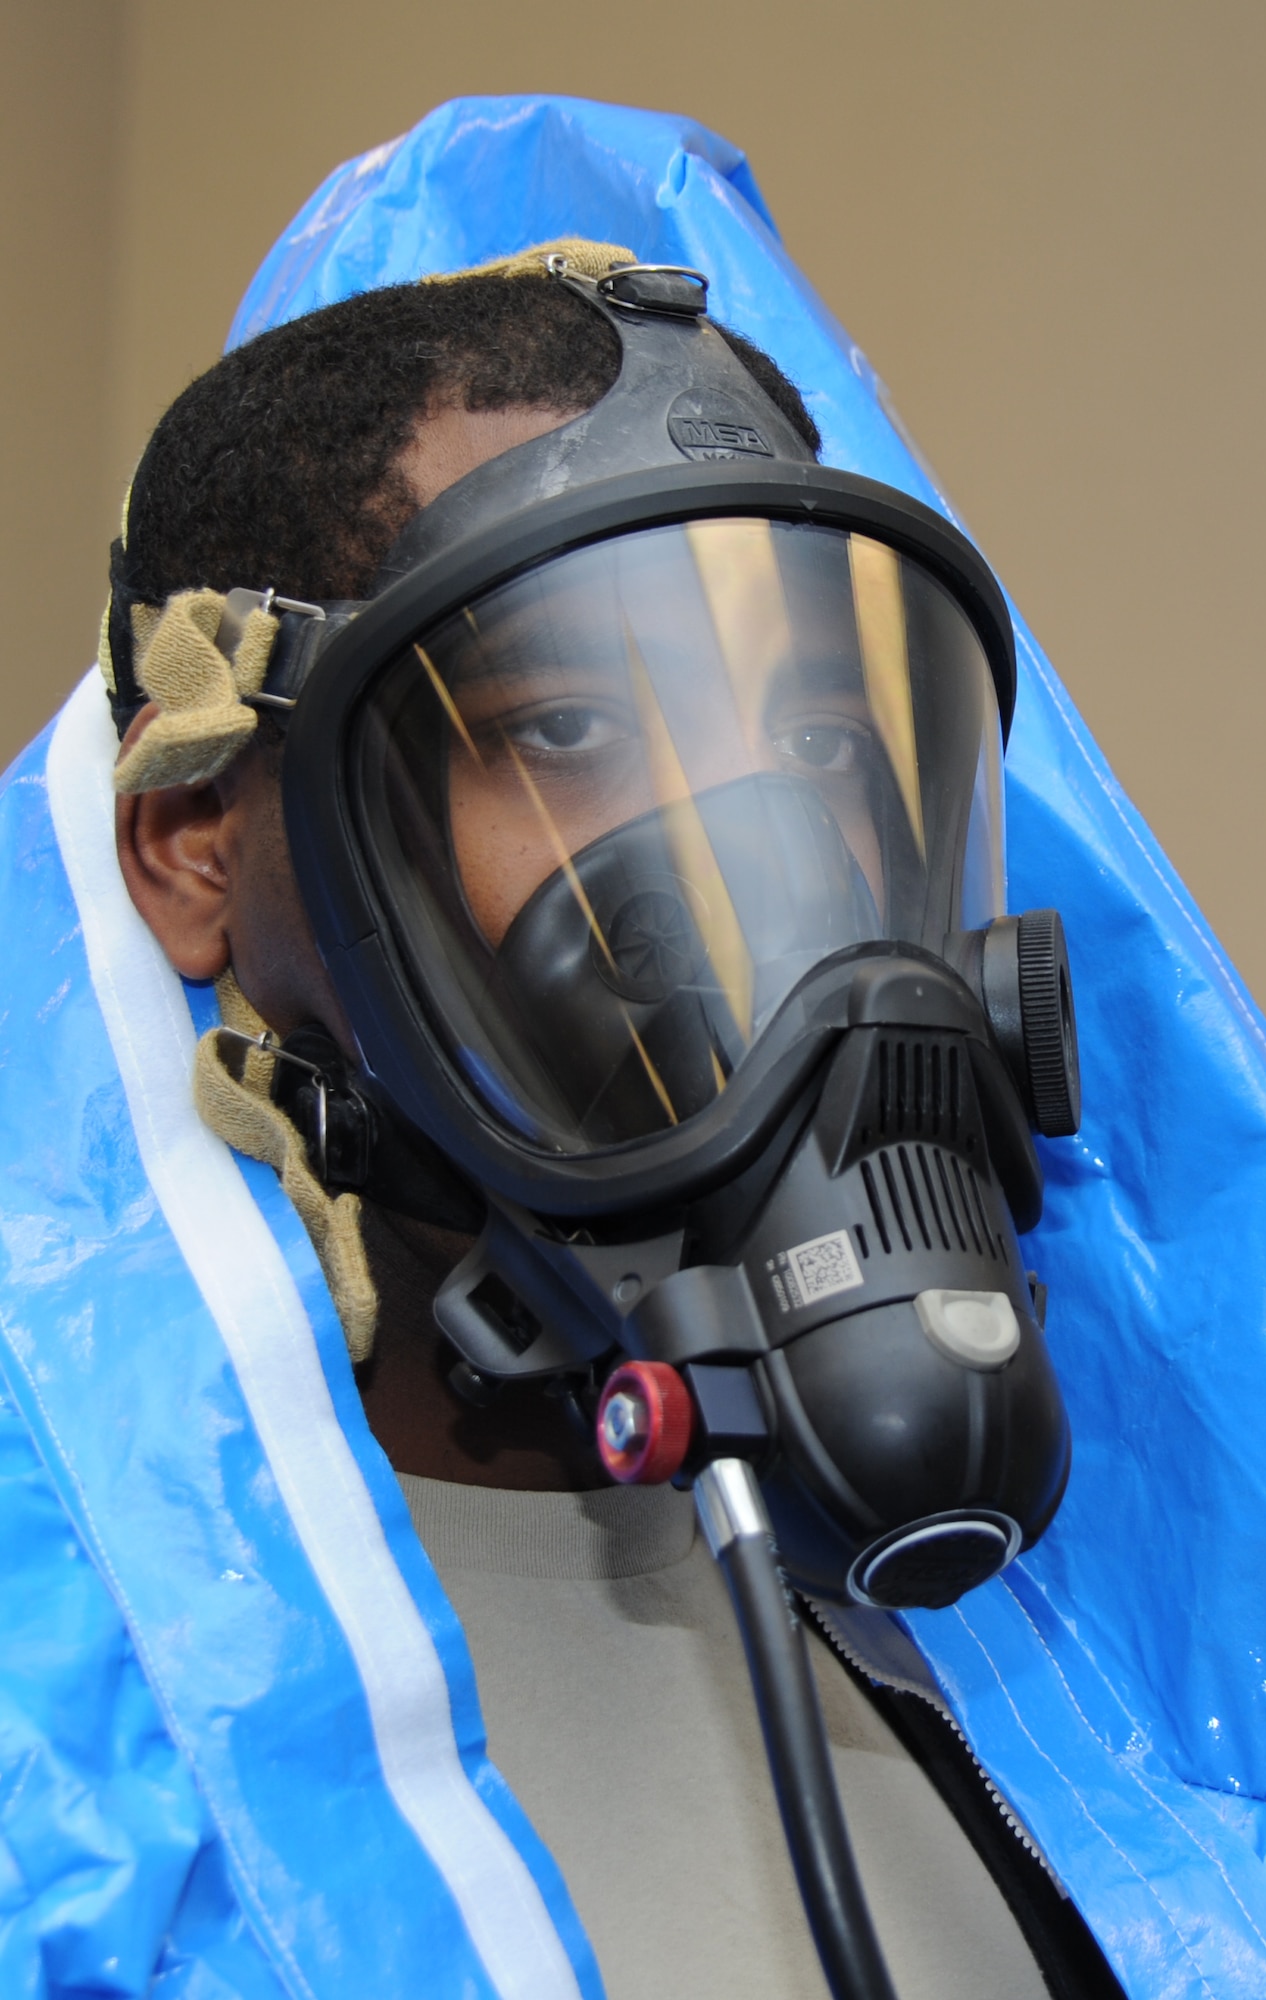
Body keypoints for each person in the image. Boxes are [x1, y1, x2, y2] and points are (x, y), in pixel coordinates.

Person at [80, 242, 1121, 2000]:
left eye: (809, 733)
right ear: (198, 848)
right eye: (561, 724)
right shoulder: (87, 1726)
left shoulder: (1065, 1661)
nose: (742, 868)